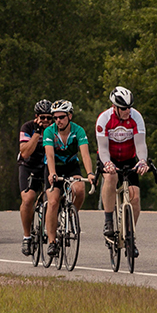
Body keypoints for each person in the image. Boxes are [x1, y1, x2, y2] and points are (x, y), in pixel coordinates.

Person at [95, 86, 149, 250]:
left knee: (135, 197)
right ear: (115, 107)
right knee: (111, 178)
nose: (128, 111)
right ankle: (108, 220)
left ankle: (130, 236)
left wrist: (142, 161)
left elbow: (140, 144)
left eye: (129, 107)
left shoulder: (136, 117)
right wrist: (107, 163)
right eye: (124, 108)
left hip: (128, 158)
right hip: (108, 157)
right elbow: (103, 148)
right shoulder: (104, 119)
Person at [42, 100, 96, 258]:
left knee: (80, 190)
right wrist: (52, 173)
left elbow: (85, 154)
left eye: (61, 117)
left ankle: (70, 215)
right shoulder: (49, 131)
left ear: (69, 116)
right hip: (54, 167)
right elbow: (49, 155)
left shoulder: (78, 131)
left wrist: (90, 173)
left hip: (71, 165)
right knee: (53, 201)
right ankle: (52, 242)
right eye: (55, 117)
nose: (58, 120)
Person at [17, 99, 53, 256]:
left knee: (53, 197)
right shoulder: (28, 127)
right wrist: (37, 133)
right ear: (36, 117)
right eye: (42, 117)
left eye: (49, 118)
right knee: (28, 199)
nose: (46, 121)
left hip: (47, 166)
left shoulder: (55, 128)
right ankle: (27, 237)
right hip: (29, 166)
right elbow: (25, 152)